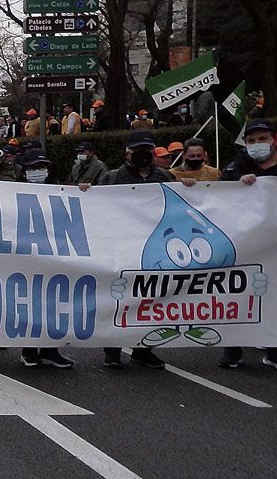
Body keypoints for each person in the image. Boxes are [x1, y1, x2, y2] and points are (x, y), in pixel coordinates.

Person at [82, 130, 196, 370]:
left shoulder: (165, 177)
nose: (143, 156)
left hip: (156, 249)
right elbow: (94, 205)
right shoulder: (112, 178)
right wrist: (84, 191)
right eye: (138, 151)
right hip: (122, 246)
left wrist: (188, 186)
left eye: (147, 151)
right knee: (118, 298)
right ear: (128, 153)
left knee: (152, 299)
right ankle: (112, 349)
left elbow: (183, 204)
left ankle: (143, 349)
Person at [218, 119, 277, 369]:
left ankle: (273, 349)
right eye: (251, 141)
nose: (256, 144)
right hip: (247, 244)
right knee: (239, 293)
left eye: (262, 139)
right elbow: (215, 196)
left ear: (274, 139)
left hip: (273, 244)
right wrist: (238, 183)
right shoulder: (237, 168)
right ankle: (232, 348)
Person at [16, 150, 75, 368]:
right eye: (32, 168)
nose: (37, 172)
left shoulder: (59, 191)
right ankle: (29, 350)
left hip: (53, 255)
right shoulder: (10, 191)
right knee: (29, 302)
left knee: (53, 302)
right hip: (25, 254)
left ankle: (50, 350)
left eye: (41, 167)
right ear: (24, 172)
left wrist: (85, 192)